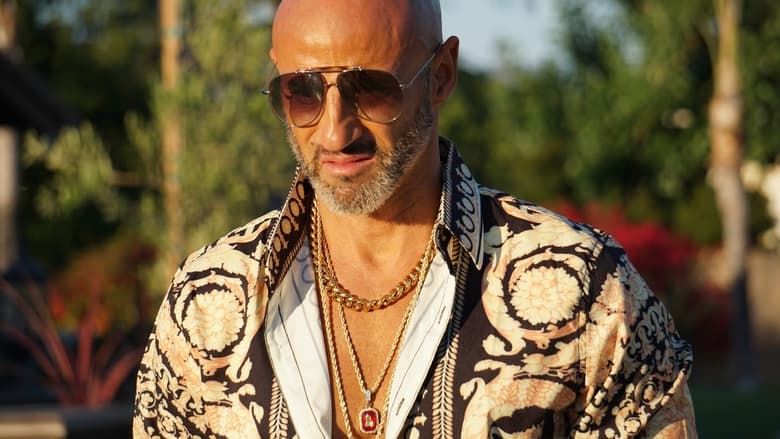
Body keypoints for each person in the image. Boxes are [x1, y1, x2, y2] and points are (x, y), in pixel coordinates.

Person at [133, 0, 697, 437]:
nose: (335, 131)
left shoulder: (587, 288)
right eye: (302, 92)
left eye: (372, 89)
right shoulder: (205, 303)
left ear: (441, 75)